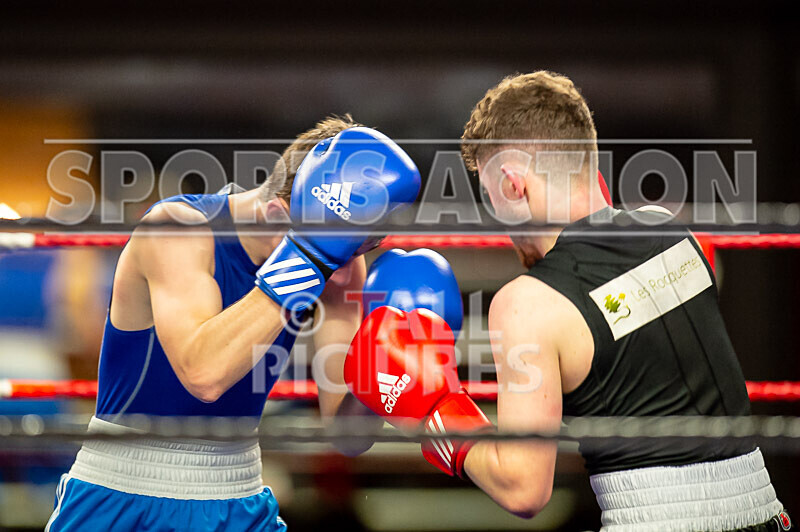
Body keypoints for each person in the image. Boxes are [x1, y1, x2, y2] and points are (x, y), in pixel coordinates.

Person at [346, 72, 792, 531]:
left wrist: (433, 413)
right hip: (769, 516)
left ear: (514, 185)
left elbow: (524, 488)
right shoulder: (675, 232)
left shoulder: (527, 305)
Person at [46, 115, 420, 531]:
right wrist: (308, 256)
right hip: (125, 492)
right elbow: (203, 374)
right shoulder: (179, 231)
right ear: (277, 212)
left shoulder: (341, 263)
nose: (347, 258)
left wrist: (386, 360)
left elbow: (349, 436)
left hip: (239, 493)